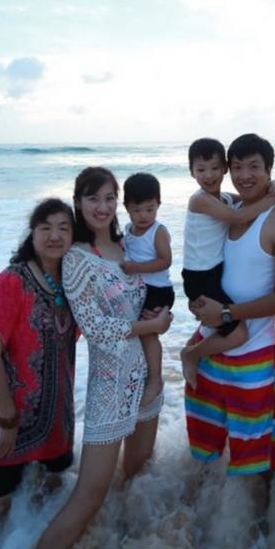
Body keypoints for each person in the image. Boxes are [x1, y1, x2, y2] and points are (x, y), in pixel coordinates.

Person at [23, 167, 172, 549]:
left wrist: (159, 321)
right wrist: (150, 326)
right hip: (109, 388)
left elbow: (156, 288)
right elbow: (96, 329)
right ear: (79, 203)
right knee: (88, 495)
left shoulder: (129, 244)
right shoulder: (77, 258)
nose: (102, 207)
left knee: (137, 476)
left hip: (146, 380)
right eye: (93, 199)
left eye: (109, 198)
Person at [185, 133, 275, 477]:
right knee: (204, 454)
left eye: (254, 167)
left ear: (269, 170)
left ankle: (255, 515)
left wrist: (226, 313)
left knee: (255, 460)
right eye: (238, 167)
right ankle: (197, 511)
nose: (245, 175)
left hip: (252, 356)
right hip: (209, 347)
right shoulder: (231, 208)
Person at [0, 198, 78, 521]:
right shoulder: (12, 281)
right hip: (9, 419)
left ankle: (35, 548)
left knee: (51, 493)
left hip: (57, 418)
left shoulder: (72, 283)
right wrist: (7, 420)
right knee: (0, 504)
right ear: (31, 234)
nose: (54, 236)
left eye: (63, 228)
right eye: (45, 228)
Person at [179, 137, 275, 388]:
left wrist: (272, 185)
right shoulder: (199, 200)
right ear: (191, 172)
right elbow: (238, 217)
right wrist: (271, 199)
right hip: (199, 276)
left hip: (212, 273)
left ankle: (198, 352)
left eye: (215, 167)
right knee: (238, 333)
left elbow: (247, 200)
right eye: (201, 169)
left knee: (220, 325)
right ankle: (191, 354)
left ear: (224, 168)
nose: (209, 175)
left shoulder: (224, 198)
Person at [120, 172, 175, 406]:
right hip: (140, 289)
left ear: (158, 205)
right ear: (126, 207)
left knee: (148, 333)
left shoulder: (158, 231)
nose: (144, 215)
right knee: (138, 332)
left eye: (150, 209)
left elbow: (166, 260)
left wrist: (136, 268)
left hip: (158, 290)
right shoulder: (128, 230)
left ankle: (155, 379)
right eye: (137, 210)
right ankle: (141, 374)